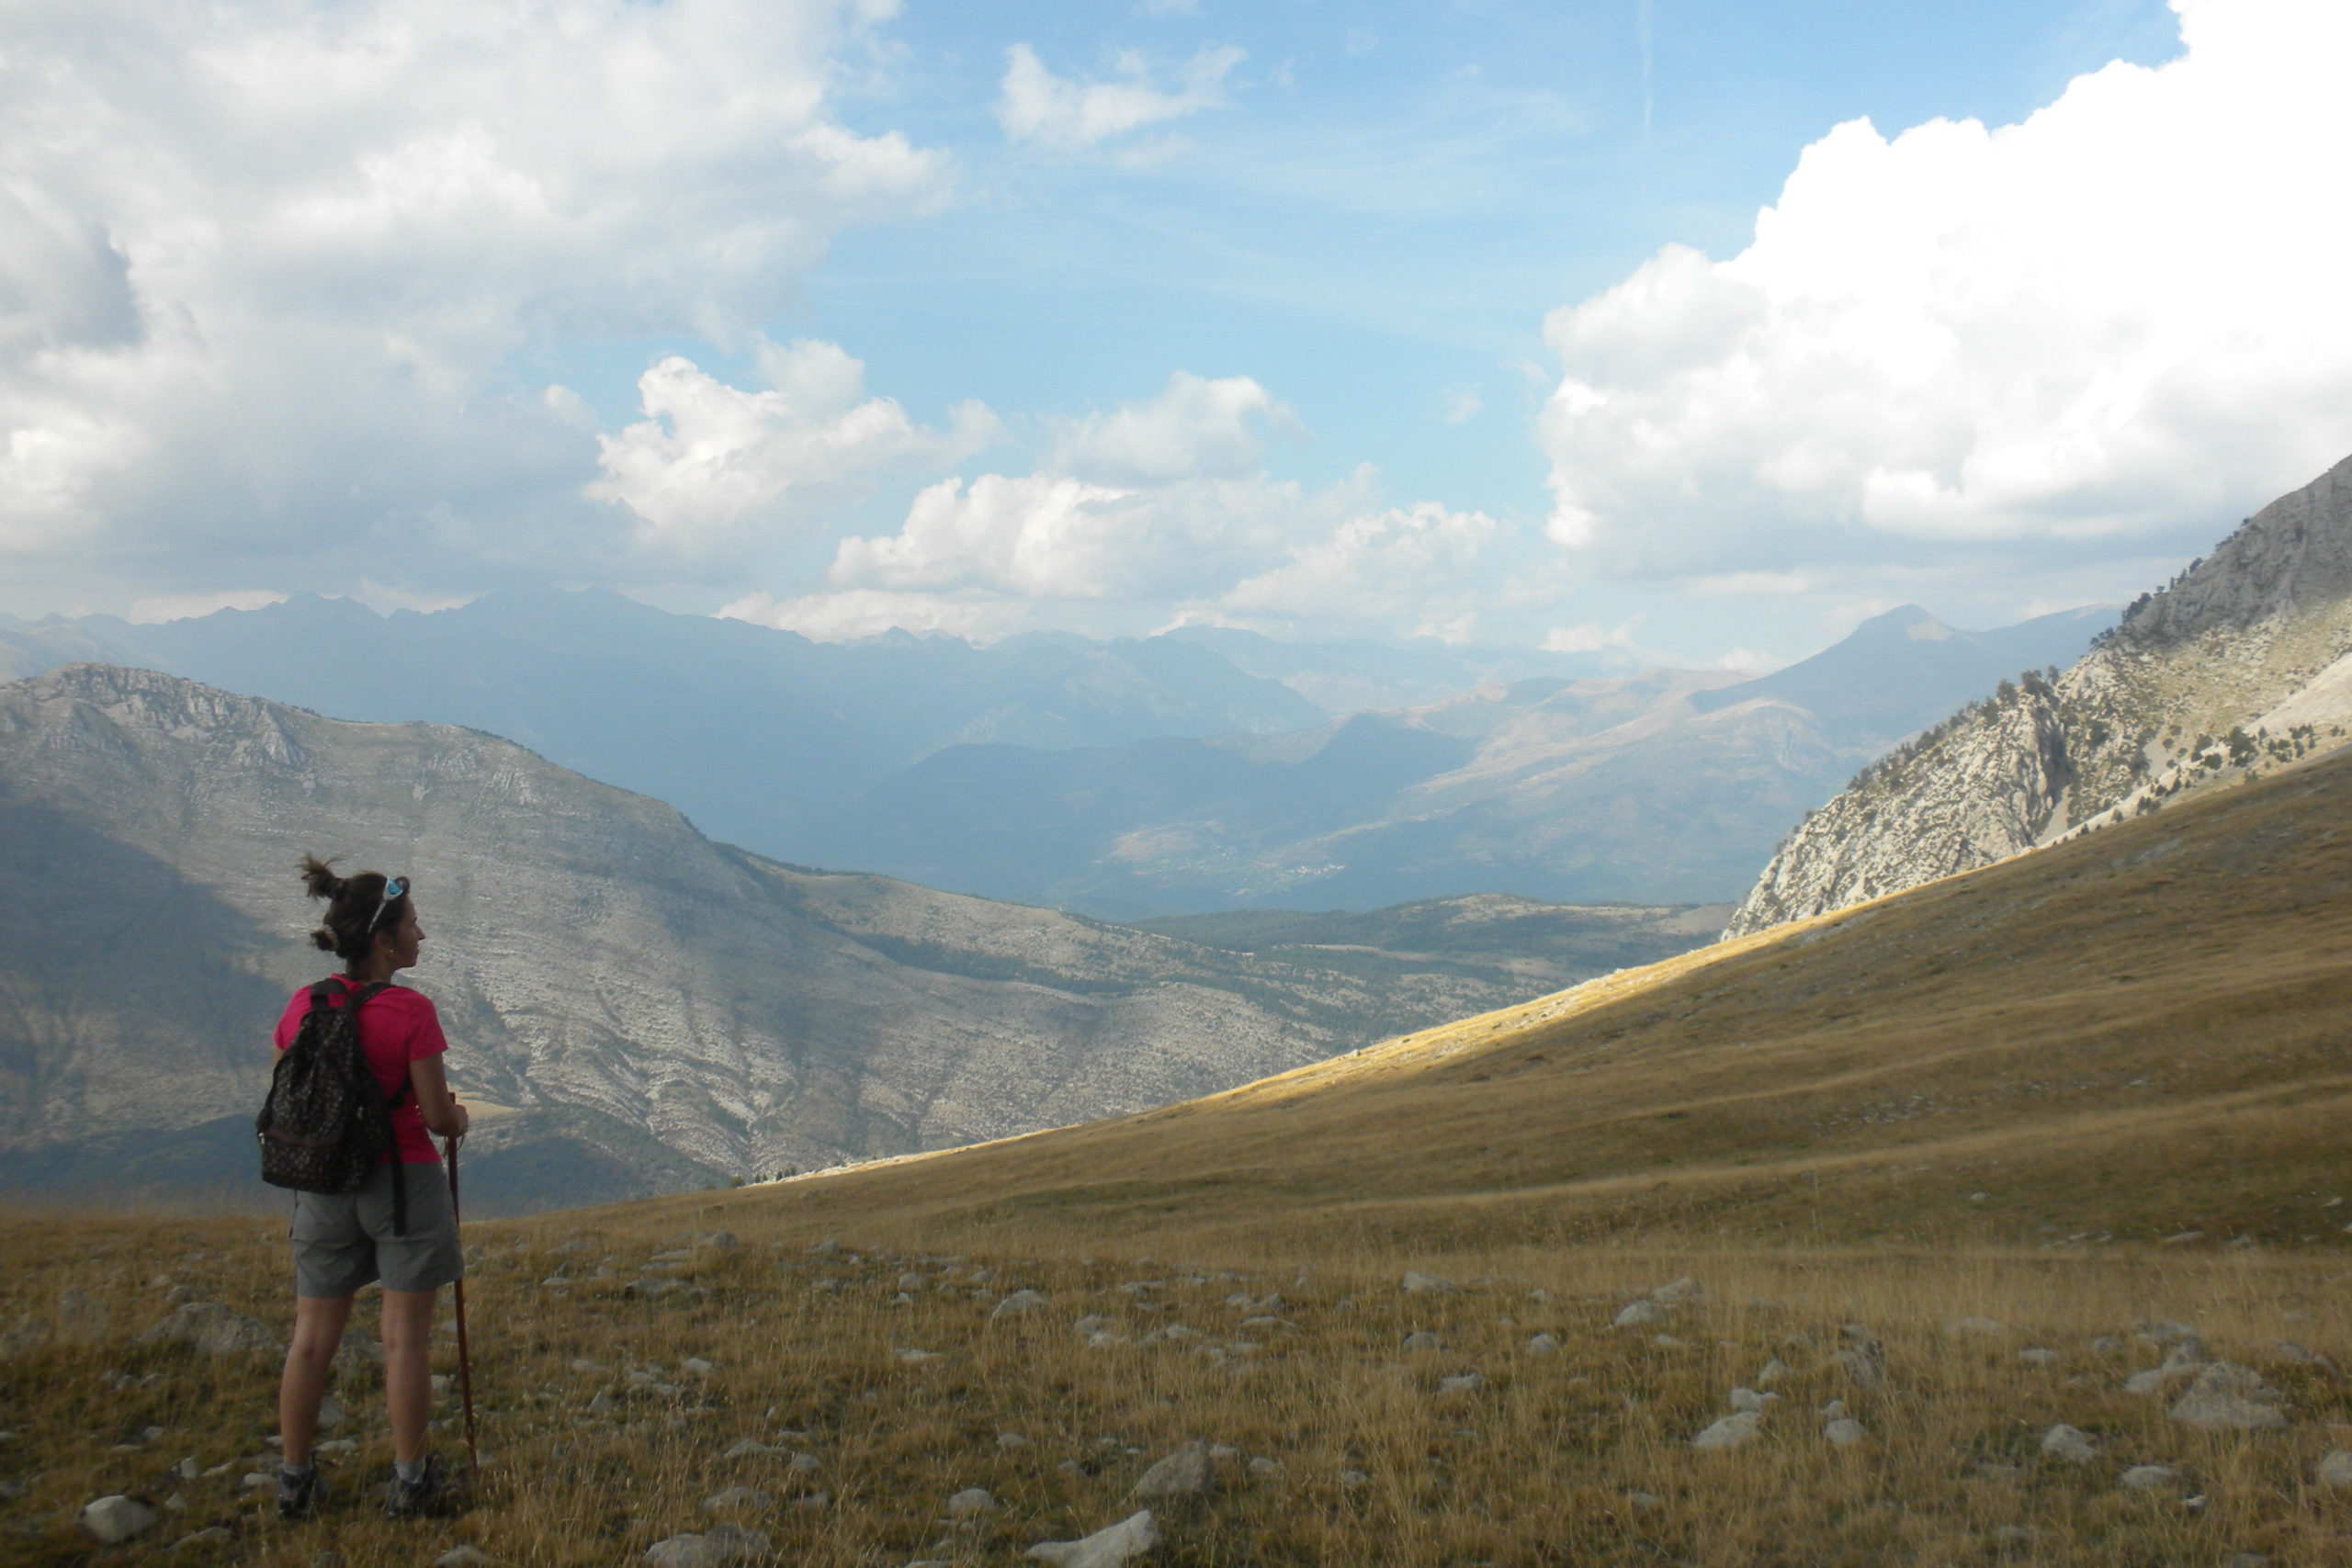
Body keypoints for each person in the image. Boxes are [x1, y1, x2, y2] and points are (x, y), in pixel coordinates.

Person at [273, 856, 469, 1521]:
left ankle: (294, 1479)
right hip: (402, 1180)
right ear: (384, 940)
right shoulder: (411, 1011)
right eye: (413, 925)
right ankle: (410, 1482)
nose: (422, 935)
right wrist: (460, 1118)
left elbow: (287, 1093)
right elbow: (437, 1115)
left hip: (322, 1183)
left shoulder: (305, 1003)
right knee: (404, 1339)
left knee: (310, 1339)